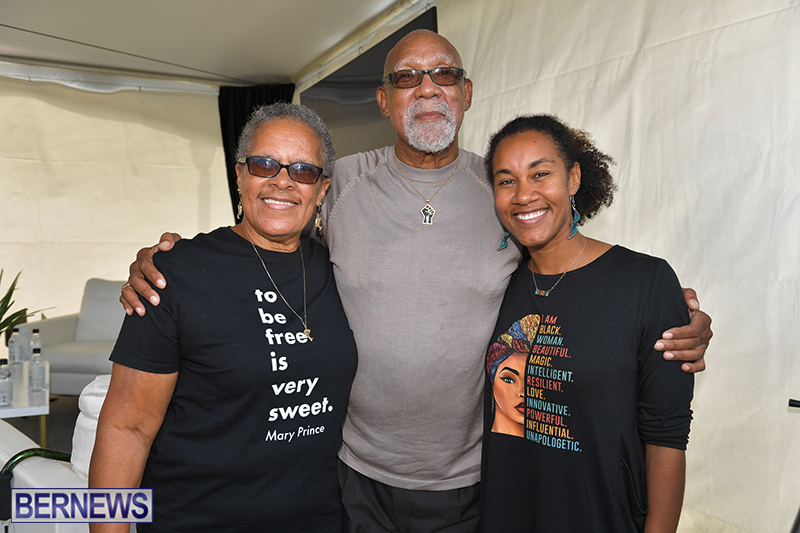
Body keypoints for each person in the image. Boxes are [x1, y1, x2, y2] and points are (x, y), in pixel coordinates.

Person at [120, 30, 711, 532]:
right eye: (407, 78)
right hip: (353, 475)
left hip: (474, 479)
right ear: (383, 99)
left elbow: (575, 281)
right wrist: (171, 257)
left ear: (466, 93)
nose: (427, 88)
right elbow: (269, 223)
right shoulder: (337, 183)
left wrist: (662, 311)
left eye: (444, 74)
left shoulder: (503, 189)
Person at [89, 103, 358, 532]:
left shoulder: (342, 270)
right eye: (264, 164)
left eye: (303, 171)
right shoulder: (174, 275)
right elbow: (127, 429)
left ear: (322, 189)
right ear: (239, 175)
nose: (282, 181)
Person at [480, 114, 693, 532]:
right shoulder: (498, 284)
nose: (524, 195)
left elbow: (666, 438)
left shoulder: (644, 282)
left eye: (540, 174)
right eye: (507, 181)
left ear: (574, 177)